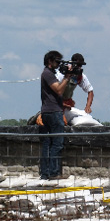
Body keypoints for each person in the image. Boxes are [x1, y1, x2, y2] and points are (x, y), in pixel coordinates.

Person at [39, 50, 71, 180]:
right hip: (53, 112)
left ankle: (46, 172)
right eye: (57, 62)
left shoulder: (48, 73)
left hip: (48, 110)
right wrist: (67, 77)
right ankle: (53, 172)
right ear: (50, 61)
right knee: (57, 143)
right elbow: (58, 89)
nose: (58, 65)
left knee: (48, 143)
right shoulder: (47, 74)